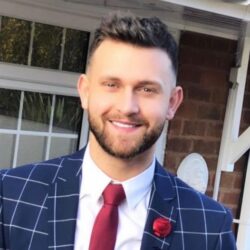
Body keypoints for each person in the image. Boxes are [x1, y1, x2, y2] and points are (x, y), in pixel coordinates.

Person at [0, 13, 236, 250]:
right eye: (112, 85)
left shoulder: (209, 227)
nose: (127, 107)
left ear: (172, 102)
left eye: (147, 89)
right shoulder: (10, 195)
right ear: (85, 91)